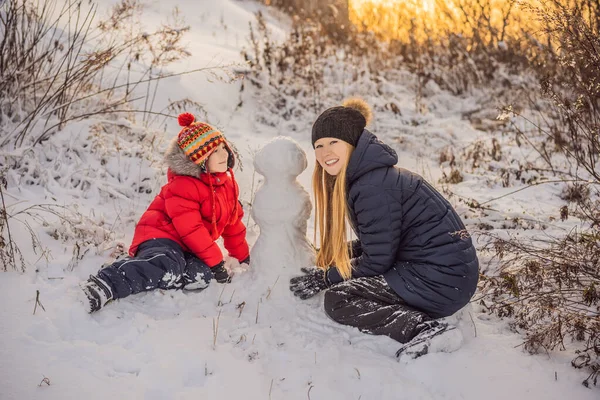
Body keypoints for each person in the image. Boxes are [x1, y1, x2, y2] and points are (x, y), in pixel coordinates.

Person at [289, 98, 479, 357]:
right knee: (342, 261)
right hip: (442, 274)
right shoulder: (372, 176)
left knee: (339, 300)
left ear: (352, 142)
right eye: (319, 145)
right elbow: (380, 243)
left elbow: (376, 260)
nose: (324, 152)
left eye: (334, 142)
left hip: (439, 280)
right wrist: (336, 254)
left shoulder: (371, 188)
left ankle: (427, 329)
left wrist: (325, 277)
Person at [81, 113, 250, 313]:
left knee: (202, 275)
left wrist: (243, 258)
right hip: (161, 237)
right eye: (215, 151)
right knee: (169, 265)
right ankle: (108, 282)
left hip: (189, 246)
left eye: (224, 147)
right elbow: (191, 229)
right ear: (200, 159)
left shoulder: (226, 185)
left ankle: (148, 267)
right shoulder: (183, 186)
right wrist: (216, 261)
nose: (224, 155)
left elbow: (233, 225)